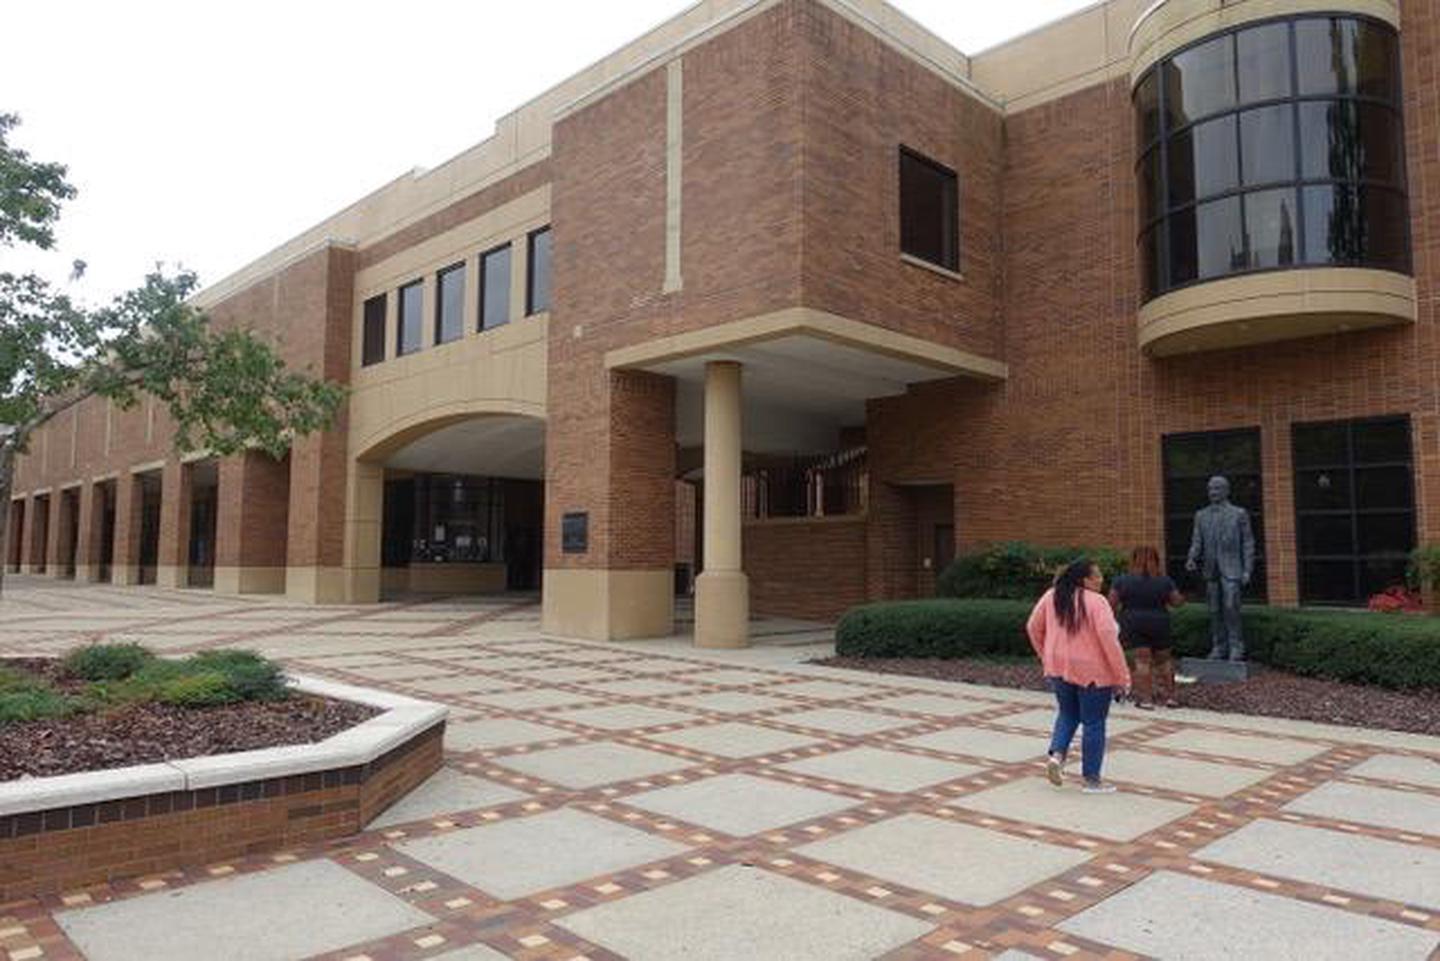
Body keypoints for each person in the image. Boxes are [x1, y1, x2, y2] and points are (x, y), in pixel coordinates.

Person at [1026, 558, 1131, 794]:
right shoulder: (1097, 602)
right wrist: (1121, 677)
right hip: (1093, 670)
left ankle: (1057, 755)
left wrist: (1045, 654)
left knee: (1067, 713)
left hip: (1058, 666)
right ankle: (1092, 779)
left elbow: (1033, 627)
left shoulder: (1052, 596)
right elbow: (1108, 640)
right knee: (1094, 722)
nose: (1102, 579)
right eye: (1098, 575)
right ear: (1085, 580)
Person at [1186, 475, 1255, 662]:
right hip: (1211, 569)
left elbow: (1248, 543)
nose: (1213, 493)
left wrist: (1247, 569)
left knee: (1231, 606)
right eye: (1210, 489)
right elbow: (1197, 541)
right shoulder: (1201, 515)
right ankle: (1219, 646)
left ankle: (1236, 646)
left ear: (1226, 491)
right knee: (1214, 610)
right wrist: (1192, 557)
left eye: (1217, 489)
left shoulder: (1239, 513)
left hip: (1232, 568)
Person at [1108, 546, 1185, 710]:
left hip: (1133, 622)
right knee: (1165, 661)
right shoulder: (1165, 580)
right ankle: (1171, 698)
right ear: (1156, 560)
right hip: (1160, 622)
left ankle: (1146, 700)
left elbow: (1111, 603)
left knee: (1142, 661)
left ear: (1133, 560)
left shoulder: (1122, 580)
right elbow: (1177, 602)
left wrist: (1115, 619)